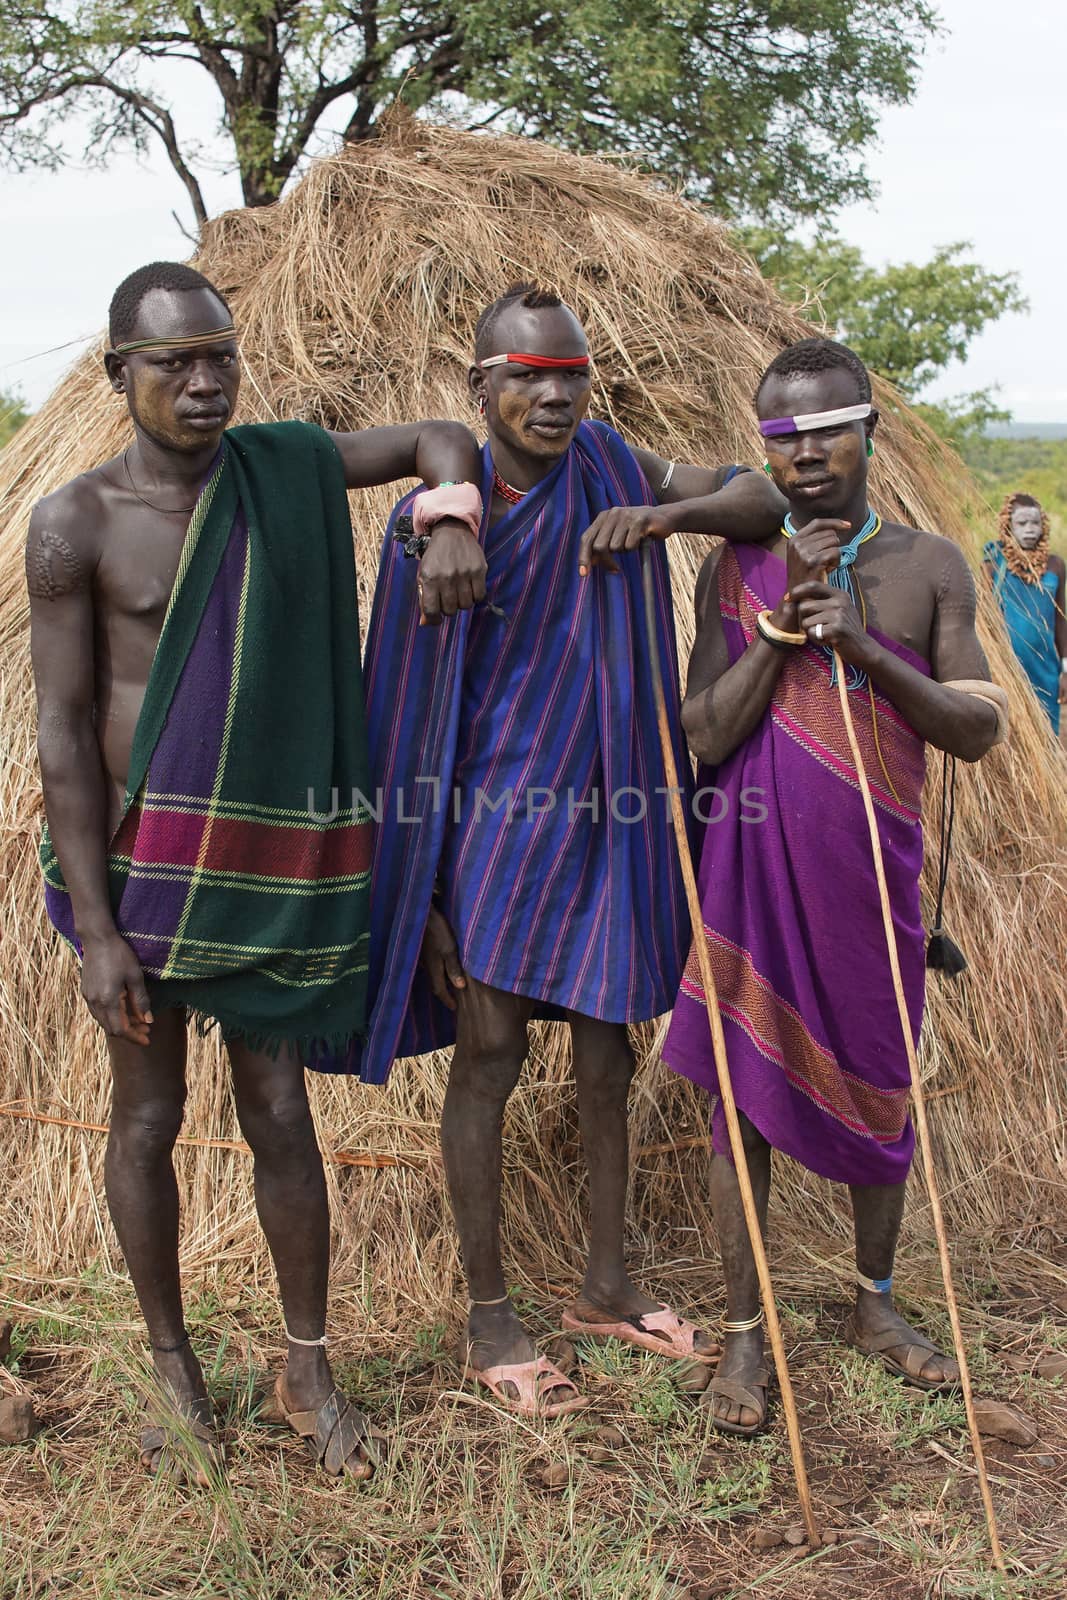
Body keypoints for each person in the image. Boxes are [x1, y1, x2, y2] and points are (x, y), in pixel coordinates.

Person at [27, 261, 486, 1482]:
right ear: (119, 372)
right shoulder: (75, 524)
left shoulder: (280, 469)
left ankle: (306, 1365)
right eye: (174, 361)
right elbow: (66, 733)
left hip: (265, 868)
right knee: (147, 1114)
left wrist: (448, 517)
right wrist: (100, 926)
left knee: (280, 1109)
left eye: (219, 355)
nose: (204, 380)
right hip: (135, 876)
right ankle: (175, 1369)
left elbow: (444, 435)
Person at [350, 282, 785, 1418]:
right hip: (491, 824)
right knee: (488, 1053)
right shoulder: (439, 522)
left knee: (608, 1054)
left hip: (611, 813)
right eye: (526, 377)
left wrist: (662, 517)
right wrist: (423, 891)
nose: (551, 396)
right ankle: (489, 1312)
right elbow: (398, 712)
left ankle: (606, 1282)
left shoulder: (613, 463)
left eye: (570, 375)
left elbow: (758, 500)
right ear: (481, 385)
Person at [663, 338, 1008, 1437]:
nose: (802, 451)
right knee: (737, 1101)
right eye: (777, 434)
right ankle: (740, 1336)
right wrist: (775, 631)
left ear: (867, 429)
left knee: (878, 1078)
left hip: (870, 878)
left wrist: (859, 643)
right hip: (751, 871)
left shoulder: (928, 566)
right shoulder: (733, 566)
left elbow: (977, 728)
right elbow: (703, 732)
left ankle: (872, 1302)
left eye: (822, 427)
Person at [983, 493, 1066, 735]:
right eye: (1022, 523)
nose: (1030, 529)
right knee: (1012, 737)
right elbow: (986, 624)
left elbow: (1061, 621)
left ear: (1044, 525)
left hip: (1046, 670)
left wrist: (1065, 671)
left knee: (1046, 735)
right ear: (1008, 527)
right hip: (1008, 670)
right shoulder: (994, 565)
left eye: (1035, 523)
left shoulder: (1055, 567)